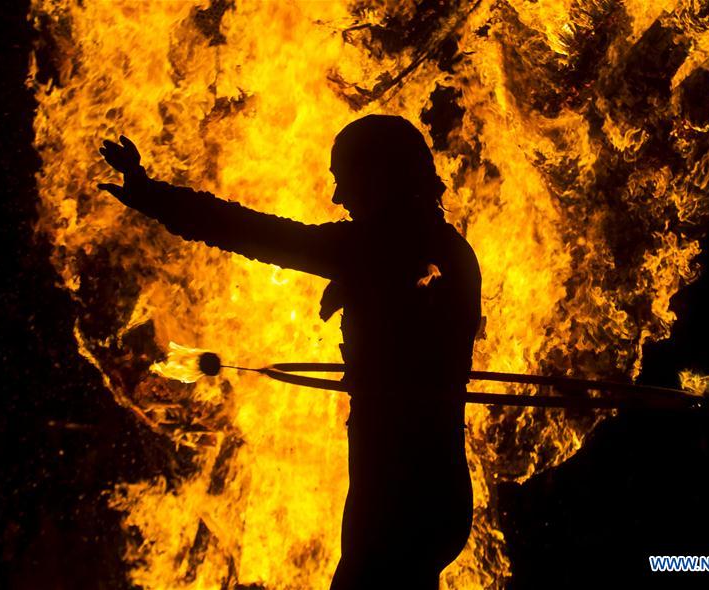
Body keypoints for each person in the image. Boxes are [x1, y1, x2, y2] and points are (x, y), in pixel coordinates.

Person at [99, 114, 481, 589]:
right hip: (438, 494)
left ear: (381, 177)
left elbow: (255, 233)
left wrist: (150, 195)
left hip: (398, 497)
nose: (339, 199)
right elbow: (412, 314)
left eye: (345, 182)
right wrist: (356, 288)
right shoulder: (449, 250)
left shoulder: (379, 248)